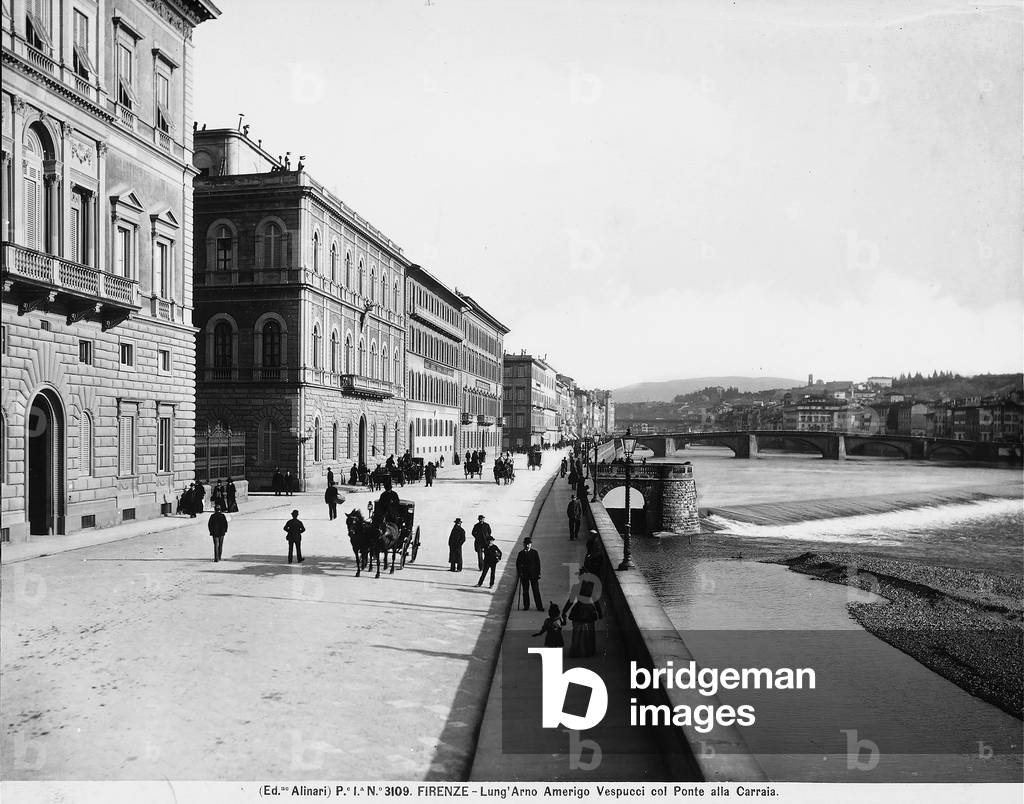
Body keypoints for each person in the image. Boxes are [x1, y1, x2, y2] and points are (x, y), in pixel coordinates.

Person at [564, 578, 603, 658]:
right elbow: (596, 601)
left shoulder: (576, 587)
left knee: (577, 632)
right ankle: (588, 650)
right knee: (589, 632)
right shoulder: (592, 587)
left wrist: (564, 611)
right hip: (589, 610)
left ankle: (577, 650)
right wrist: (600, 613)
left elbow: (570, 601)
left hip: (578, 610)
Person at [515, 536, 543, 611]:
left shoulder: (534, 552)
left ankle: (539, 606)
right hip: (524, 575)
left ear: (531, 544)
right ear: (523, 544)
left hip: (534, 575)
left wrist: (538, 573)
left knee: (536, 591)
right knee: (525, 591)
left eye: (529, 544)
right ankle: (526, 606)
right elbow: (518, 564)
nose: (527, 545)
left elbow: (538, 564)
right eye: (526, 544)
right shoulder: (521, 553)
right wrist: (520, 572)